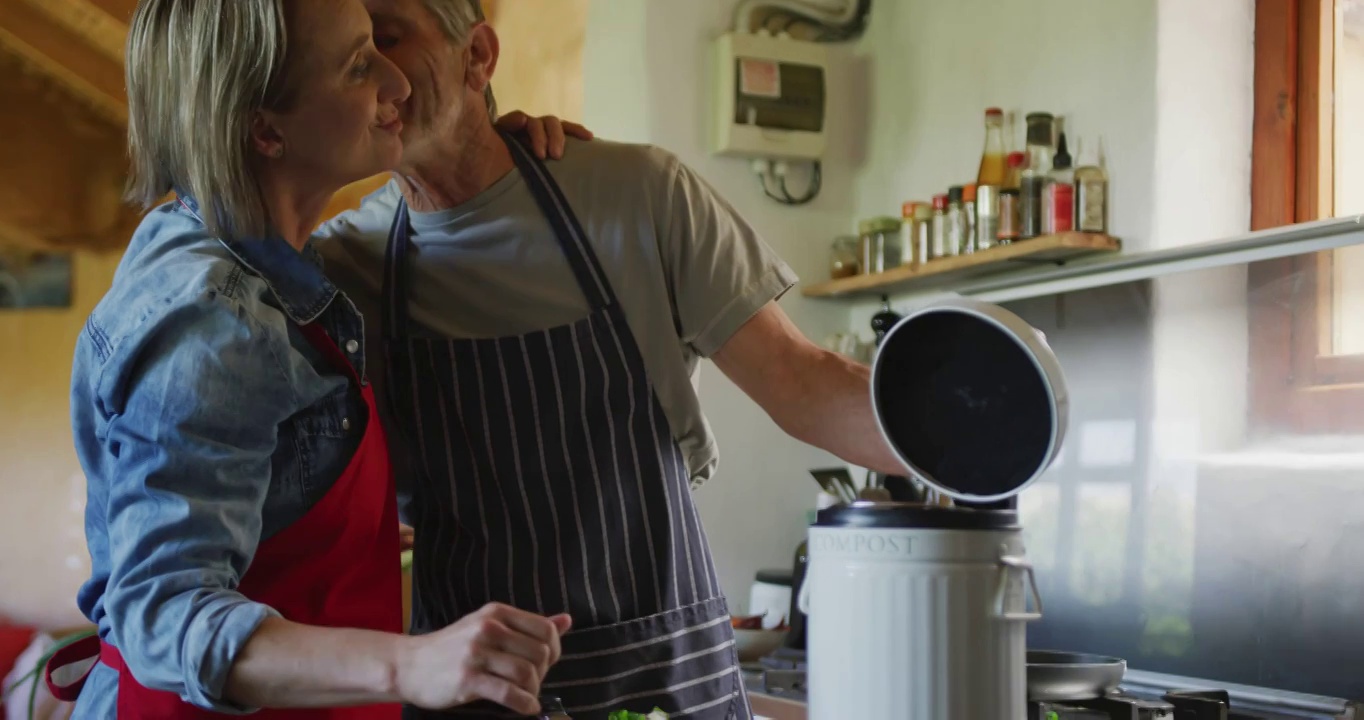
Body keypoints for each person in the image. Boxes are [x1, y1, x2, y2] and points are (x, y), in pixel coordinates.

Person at [317, 1, 910, 717]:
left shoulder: (636, 196)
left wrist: (977, 439)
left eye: (388, 36)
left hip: (670, 682)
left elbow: (803, 382)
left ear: (478, 57)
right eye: (352, 50)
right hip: (480, 694)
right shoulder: (341, 266)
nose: (371, 70)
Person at [46, 1, 583, 717]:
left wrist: (494, 153)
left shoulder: (271, 267)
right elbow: (163, 611)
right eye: (360, 64)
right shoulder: (213, 320)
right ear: (265, 129)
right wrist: (413, 664)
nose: (397, 84)